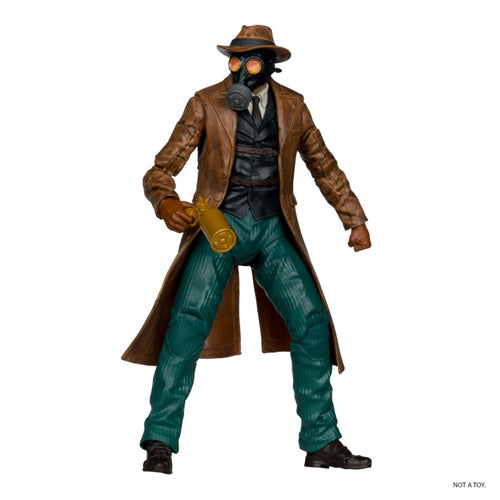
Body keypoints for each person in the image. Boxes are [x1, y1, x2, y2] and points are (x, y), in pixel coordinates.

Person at [122, 25, 372, 474]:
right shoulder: (205, 102)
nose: (240, 71)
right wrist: (166, 202)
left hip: (273, 228)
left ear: (271, 66)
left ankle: (321, 441)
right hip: (220, 223)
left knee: (312, 321)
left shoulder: (293, 106)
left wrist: (354, 218)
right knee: (187, 322)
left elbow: (323, 165)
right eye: (235, 61)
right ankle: (159, 440)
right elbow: (160, 168)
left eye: (251, 62)